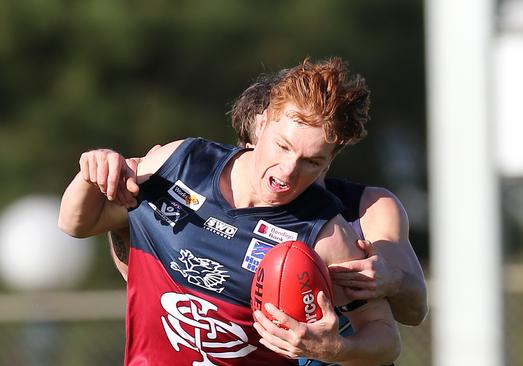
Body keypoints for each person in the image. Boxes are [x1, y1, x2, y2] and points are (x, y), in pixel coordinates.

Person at [59, 58, 400, 366]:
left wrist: (336, 348)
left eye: (312, 162)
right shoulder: (181, 164)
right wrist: (92, 172)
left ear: (331, 160)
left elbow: (386, 340)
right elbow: (76, 223)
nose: (287, 171)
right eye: (283, 146)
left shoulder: (324, 235)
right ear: (261, 123)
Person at [231, 71, 428, 327]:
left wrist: (391, 280)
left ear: (329, 153)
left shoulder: (370, 207)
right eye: (279, 147)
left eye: (309, 157)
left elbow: (415, 312)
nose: (285, 168)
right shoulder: (219, 209)